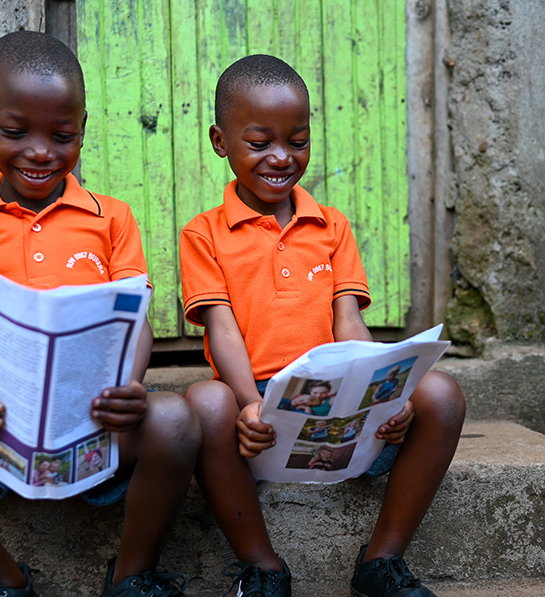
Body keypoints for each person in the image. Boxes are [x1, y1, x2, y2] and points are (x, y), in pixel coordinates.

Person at [0, 31, 197, 597]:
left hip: (92, 430)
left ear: (84, 127)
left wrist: (126, 386)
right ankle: (4, 584)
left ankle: (130, 577)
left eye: (63, 135)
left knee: (173, 420)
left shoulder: (112, 219)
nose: (41, 151)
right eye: (16, 132)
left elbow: (135, 321)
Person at [179, 54, 466, 597]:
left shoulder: (331, 226)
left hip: (340, 407)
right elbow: (221, 329)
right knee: (203, 403)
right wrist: (246, 403)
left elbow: (348, 321)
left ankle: (381, 562)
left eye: (298, 140)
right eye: (259, 143)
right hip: (258, 417)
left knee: (442, 396)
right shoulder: (204, 234)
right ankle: (262, 569)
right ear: (221, 142)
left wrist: (389, 393)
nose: (281, 157)